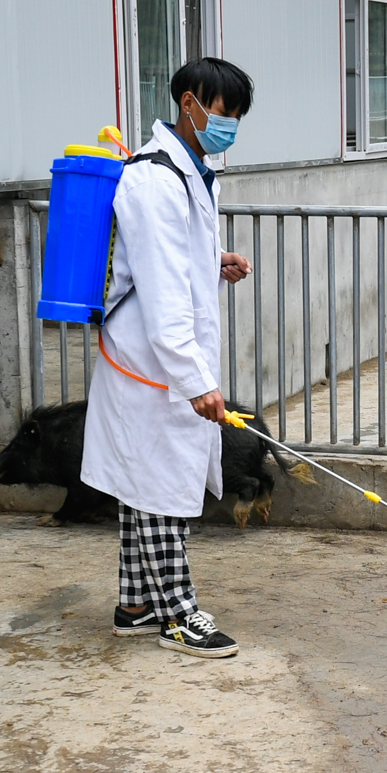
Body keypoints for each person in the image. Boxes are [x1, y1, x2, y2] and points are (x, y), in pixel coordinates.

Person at [80, 57, 255, 658]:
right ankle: (179, 614)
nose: (228, 126)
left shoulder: (191, 172)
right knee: (158, 488)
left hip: (159, 358)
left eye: (236, 117)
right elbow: (159, 291)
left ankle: (134, 606)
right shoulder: (154, 181)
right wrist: (193, 379)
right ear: (190, 104)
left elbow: (174, 261)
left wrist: (214, 261)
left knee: (143, 483)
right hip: (150, 362)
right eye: (224, 113)